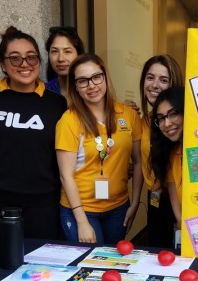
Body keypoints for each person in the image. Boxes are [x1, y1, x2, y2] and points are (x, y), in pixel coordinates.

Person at [0, 26, 68, 259]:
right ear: (2, 63)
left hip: (40, 205)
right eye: (15, 58)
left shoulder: (56, 104)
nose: (24, 64)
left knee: (39, 268)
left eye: (31, 57)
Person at [56, 53, 143, 245]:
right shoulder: (69, 121)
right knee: (91, 264)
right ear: (76, 87)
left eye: (96, 77)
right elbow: (66, 175)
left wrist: (135, 203)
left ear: (105, 77)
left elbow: (138, 162)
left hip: (119, 208)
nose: (92, 85)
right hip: (82, 209)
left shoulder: (128, 115)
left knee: (111, 263)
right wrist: (82, 221)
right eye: (83, 81)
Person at [133, 55, 183, 248]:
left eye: (163, 80)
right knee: (157, 252)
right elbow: (139, 162)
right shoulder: (141, 121)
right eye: (150, 77)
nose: (154, 85)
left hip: (183, 199)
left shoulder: (183, 123)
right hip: (155, 198)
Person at [149, 87, 185, 245]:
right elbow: (172, 189)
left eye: (173, 114)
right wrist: (181, 223)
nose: (167, 123)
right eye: (161, 118)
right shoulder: (171, 153)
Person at [44, 26, 85, 99]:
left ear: (78, 54)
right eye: (55, 51)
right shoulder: (43, 92)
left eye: (67, 51)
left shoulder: (91, 89)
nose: (60, 59)